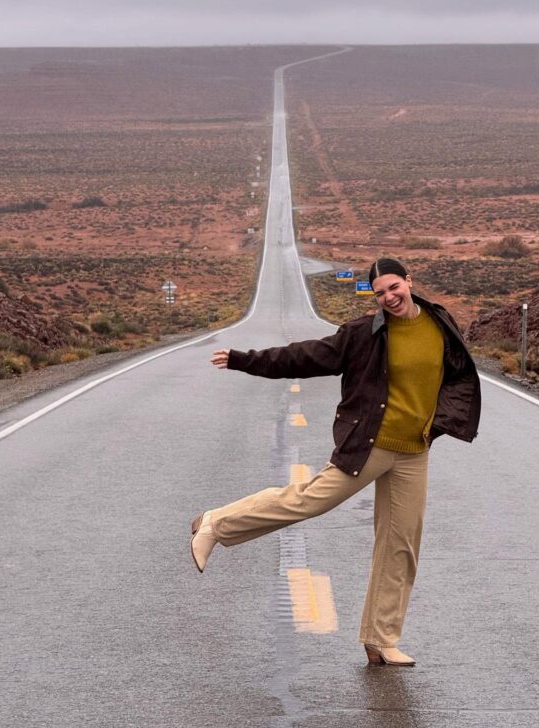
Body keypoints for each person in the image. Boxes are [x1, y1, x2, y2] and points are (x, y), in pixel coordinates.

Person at [191, 257, 481, 666]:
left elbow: (457, 375)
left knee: (401, 545)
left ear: (409, 282)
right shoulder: (364, 334)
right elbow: (304, 357)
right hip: (371, 444)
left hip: (415, 451)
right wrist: (244, 359)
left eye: (394, 287)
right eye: (380, 292)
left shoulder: (439, 324)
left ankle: (381, 639)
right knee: (309, 500)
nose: (389, 297)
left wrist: (439, 424)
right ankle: (216, 523)